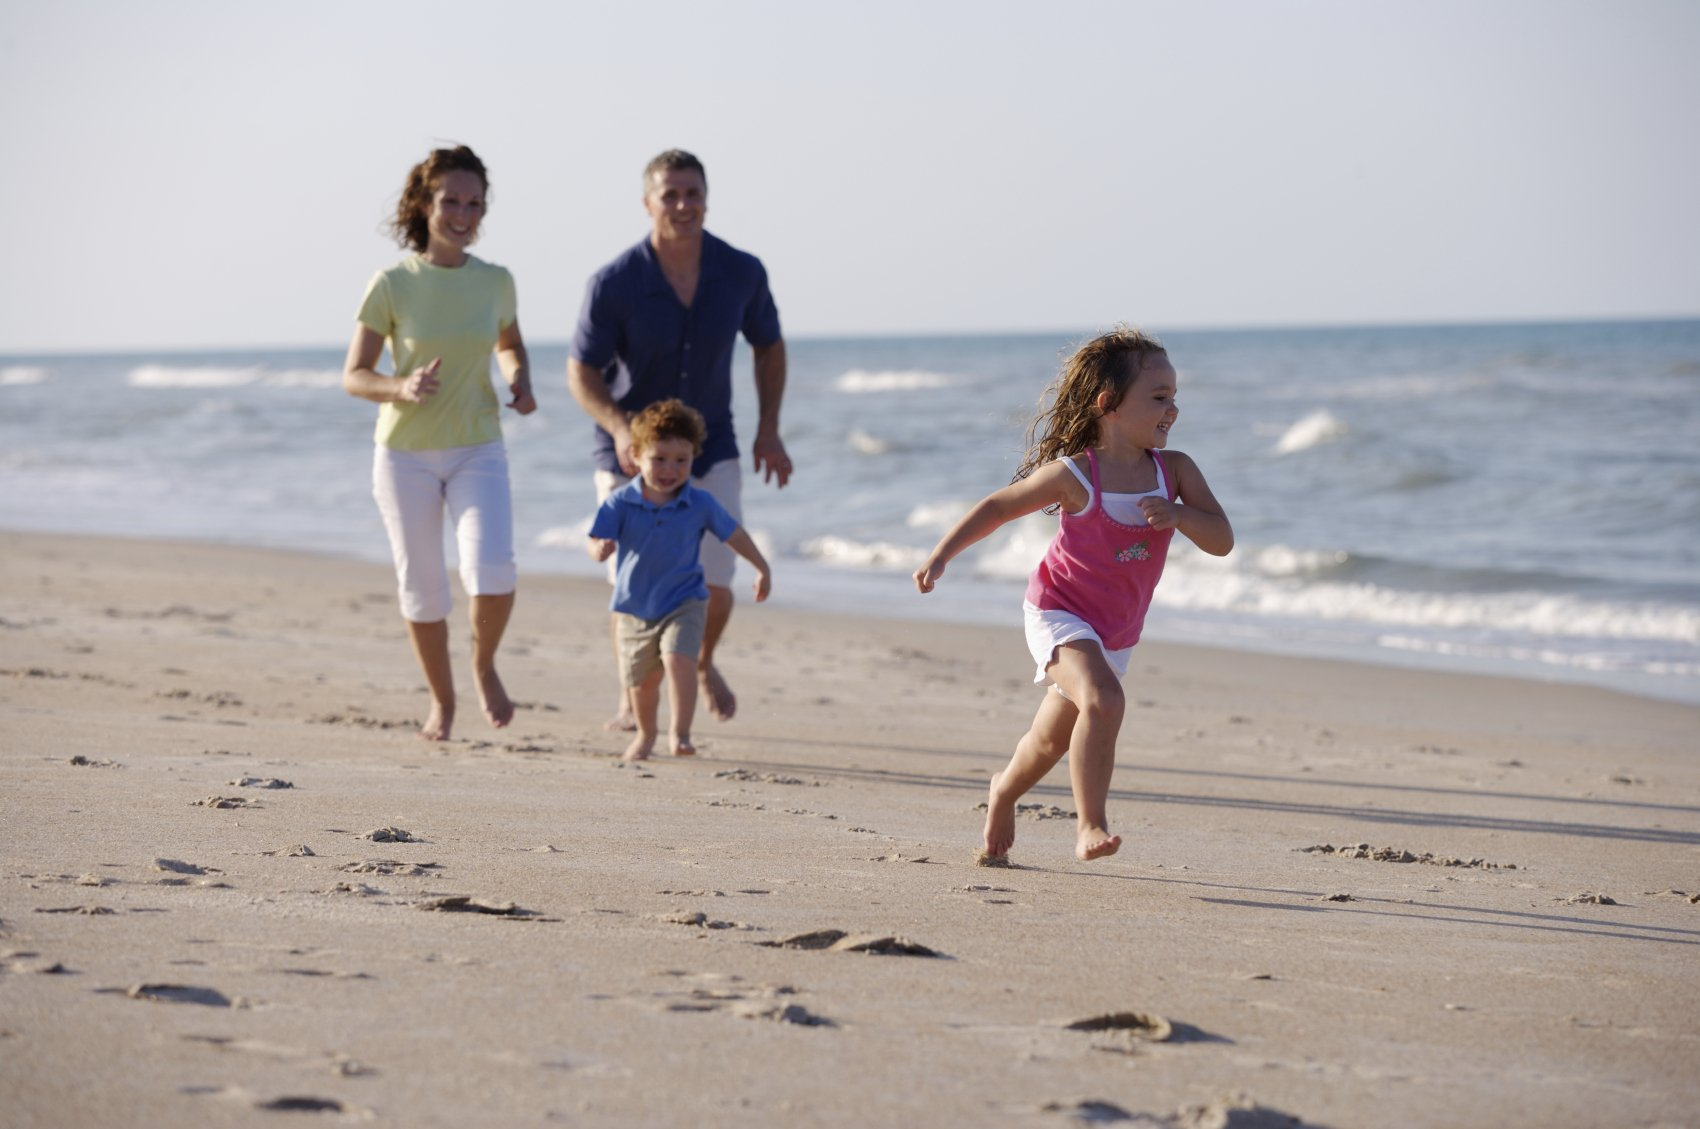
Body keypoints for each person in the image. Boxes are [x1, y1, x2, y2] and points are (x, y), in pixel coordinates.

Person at [914, 327, 1233, 863]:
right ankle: (1090, 825)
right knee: (1104, 701)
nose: (1172, 409)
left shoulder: (1174, 471)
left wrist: (1180, 516)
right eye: (1158, 398)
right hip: (1059, 611)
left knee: (1049, 740)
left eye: (1175, 398)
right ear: (1108, 404)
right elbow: (999, 506)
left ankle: (1002, 792)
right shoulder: (1076, 475)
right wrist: (942, 554)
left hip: (1117, 628)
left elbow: (1222, 541)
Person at [567, 148, 790, 732]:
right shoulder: (614, 283)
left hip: (711, 449)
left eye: (693, 193)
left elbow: (769, 346)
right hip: (630, 455)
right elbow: (580, 370)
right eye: (670, 194)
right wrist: (619, 428)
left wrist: (770, 430)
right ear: (648, 203)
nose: (683, 204)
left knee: (717, 585)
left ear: (706, 198)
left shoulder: (741, 271)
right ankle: (633, 694)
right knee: (632, 587)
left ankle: (697, 659)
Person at [342, 144, 535, 742]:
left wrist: (518, 377)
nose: (462, 213)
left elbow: (509, 343)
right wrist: (401, 385)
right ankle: (442, 702)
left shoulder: (496, 281)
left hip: (478, 443)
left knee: (493, 570)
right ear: (425, 204)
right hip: (404, 456)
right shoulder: (393, 284)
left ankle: (482, 665)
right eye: (450, 200)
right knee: (423, 588)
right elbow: (355, 375)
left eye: (474, 203)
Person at [588, 399, 772, 761]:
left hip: (685, 601)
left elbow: (733, 534)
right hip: (634, 608)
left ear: (693, 458)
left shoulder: (700, 503)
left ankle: (680, 734)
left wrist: (761, 566)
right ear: (637, 455)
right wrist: (600, 550)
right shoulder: (620, 502)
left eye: (681, 460)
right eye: (659, 459)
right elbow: (594, 540)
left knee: (678, 660)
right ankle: (645, 735)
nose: (670, 469)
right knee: (642, 683)